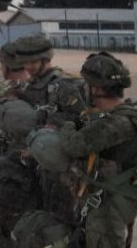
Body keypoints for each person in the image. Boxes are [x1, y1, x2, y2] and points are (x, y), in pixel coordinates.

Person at [57, 52, 137, 248]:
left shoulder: (115, 123)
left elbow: (73, 145)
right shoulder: (121, 115)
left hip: (109, 205)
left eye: (87, 84)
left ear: (97, 89)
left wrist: (68, 124)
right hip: (113, 199)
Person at [14, 33, 87, 228]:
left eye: (31, 62)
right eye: (24, 62)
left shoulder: (64, 86)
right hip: (39, 163)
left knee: (62, 219)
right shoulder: (31, 85)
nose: (27, 67)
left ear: (45, 59)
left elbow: (81, 121)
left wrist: (55, 126)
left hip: (59, 168)